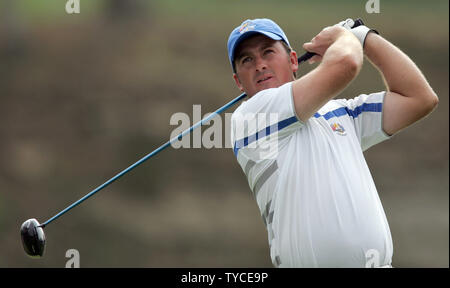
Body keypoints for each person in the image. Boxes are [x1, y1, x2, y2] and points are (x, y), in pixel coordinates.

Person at [227, 18, 438, 268]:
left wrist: (364, 37)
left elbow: (419, 98)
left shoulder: (341, 113)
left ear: (294, 61)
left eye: (268, 52)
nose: (259, 65)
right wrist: (343, 37)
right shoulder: (251, 118)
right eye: (247, 60)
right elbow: (346, 63)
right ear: (239, 81)